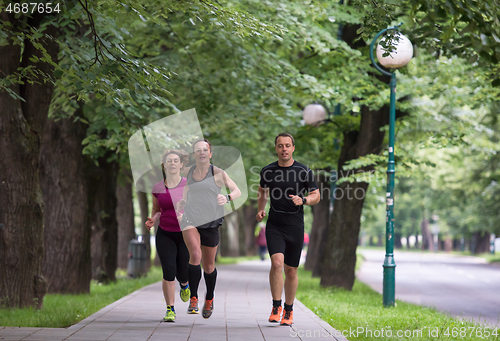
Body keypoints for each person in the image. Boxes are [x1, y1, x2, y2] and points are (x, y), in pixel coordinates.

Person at [256, 133, 320, 326]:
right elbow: (262, 191)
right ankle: (276, 306)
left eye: (287, 145)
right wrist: (261, 209)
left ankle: (289, 310)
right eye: (280, 146)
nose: (284, 149)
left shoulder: (304, 171)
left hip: (295, 226)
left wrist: (305, 200)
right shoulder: (268, 170)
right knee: (276, 264)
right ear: (276, 148)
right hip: (275, 224)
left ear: (293, 148)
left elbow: (316, 194)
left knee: (291, 270)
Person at [177, 138, 241, 319]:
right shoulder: (188, 171)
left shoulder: (218, 173)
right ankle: (194, 298)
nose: (202, 153)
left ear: (210, 153)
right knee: (195, 255)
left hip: (211, 221)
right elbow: (186, 190)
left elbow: (237, 191)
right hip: (190, 218)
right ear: (194, 154)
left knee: (208, 266)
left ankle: (210, 298)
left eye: (205, 150)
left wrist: (227, 198)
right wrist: (182, 202)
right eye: (198, 150)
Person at [145, 150, 191, 322]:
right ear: (163, 165)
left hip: (186, 234)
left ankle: (185, 285)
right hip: (165, 233)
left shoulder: (188, 185)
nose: (172, 163)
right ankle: (170, 309)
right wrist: (152, 220)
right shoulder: (158, 187)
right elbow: (157, 210)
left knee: (183, 272)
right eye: (168, 161)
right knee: (168, 270)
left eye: (175, 161)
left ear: (181, 164)